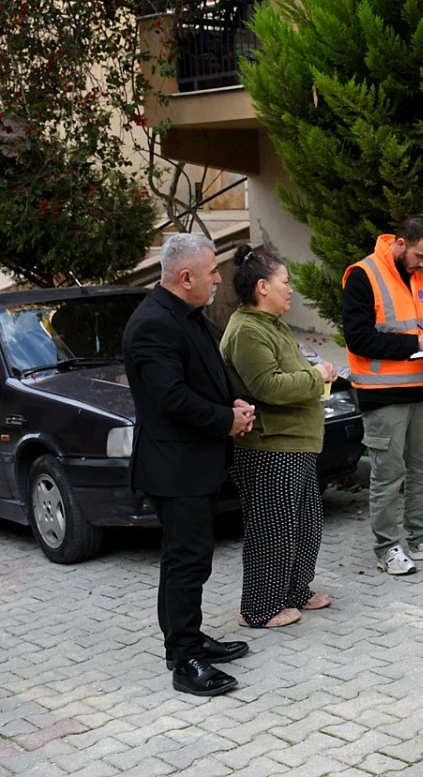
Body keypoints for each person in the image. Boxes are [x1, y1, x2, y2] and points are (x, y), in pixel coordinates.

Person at [123, 233, 255, 697]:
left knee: (189, 559)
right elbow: (173, 398)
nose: (219, 279)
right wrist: (226, 421)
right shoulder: (153, 325)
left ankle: (189, 638)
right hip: (174, 467)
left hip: (194, 462)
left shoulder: (186, 315)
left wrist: (230, 401)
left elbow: (202, 378)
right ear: (185, 278)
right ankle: (185, 659)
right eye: (211, 272)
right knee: (186, 562)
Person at [342, 216, 423, 575]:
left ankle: (422, 535)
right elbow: (358, 337)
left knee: (422, 468)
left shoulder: (421, 275)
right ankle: (387, 547)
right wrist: (412, 344)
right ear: (400, 244)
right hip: (382, 393)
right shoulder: (363, 275)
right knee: (388, 473)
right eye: (419, 256)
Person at [220, 245, 336, 628]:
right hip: (270, 447)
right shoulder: (246, 331)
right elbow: (269, 386)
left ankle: (294, 591)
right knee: (271, 528)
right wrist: (316, 378)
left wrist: (316, 374)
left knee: (305, 524)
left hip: (296, 443)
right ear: (262, 287)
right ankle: (258, 609)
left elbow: (292, 372)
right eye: (285, 282)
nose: (291, 290)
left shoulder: (273, 325)